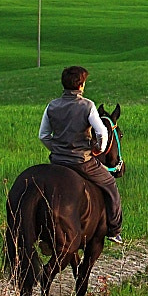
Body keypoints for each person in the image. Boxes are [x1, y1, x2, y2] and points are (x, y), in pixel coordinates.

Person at [38, 66, 124, 244]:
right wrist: (97, 150)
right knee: (110, 183)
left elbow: (43, 135)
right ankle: (114, 229)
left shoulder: (51, 105)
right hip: (81, 161)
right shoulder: (87, 105)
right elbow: (102, 133)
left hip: (57, 161)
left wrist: (56, 149)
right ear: (81, 85)